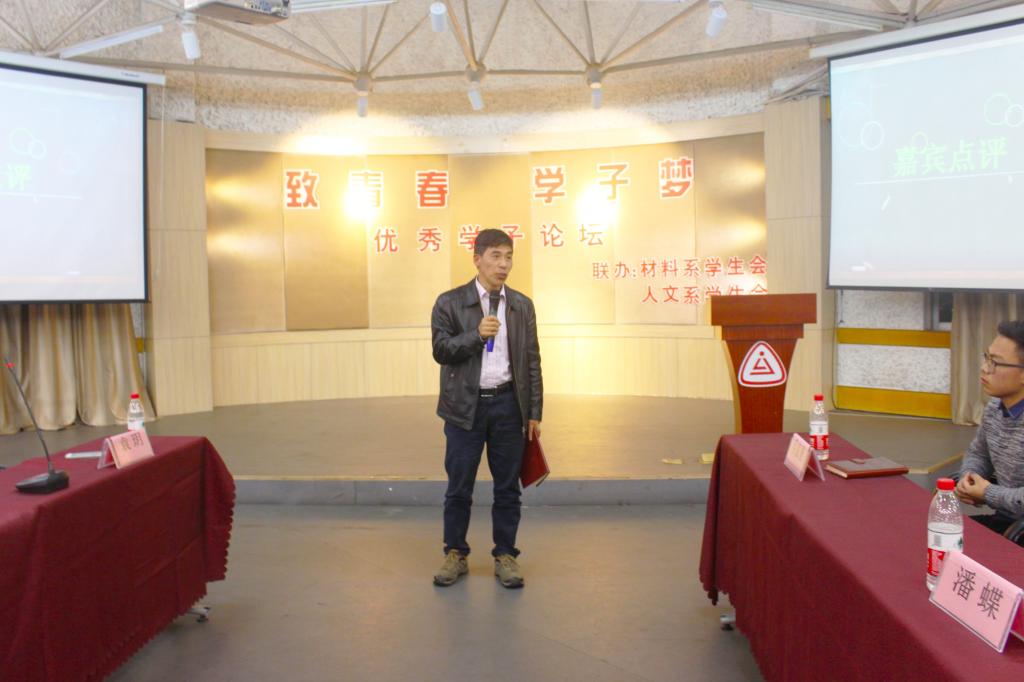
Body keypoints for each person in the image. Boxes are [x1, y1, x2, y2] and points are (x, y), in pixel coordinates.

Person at [429, 228, 543, 588]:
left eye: (508, 257)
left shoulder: (521, 305)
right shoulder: (449, 302)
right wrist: (476, 335)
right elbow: (441, 350)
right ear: (477, 259)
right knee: (459, 485)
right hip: (465, 407)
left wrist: (534, 411)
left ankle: (505, 554)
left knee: (508, 487)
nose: (503, 264)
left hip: (509, 405)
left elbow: (532, 360)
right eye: (495, 256)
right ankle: (455, 553)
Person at [956, 320, 1024, 535]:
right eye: (986, 358)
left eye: (995, 362)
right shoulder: (994, 407)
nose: (984, 368)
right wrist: (969, 477)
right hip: (1008, 522)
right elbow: (979, 453)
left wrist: (987, 493)